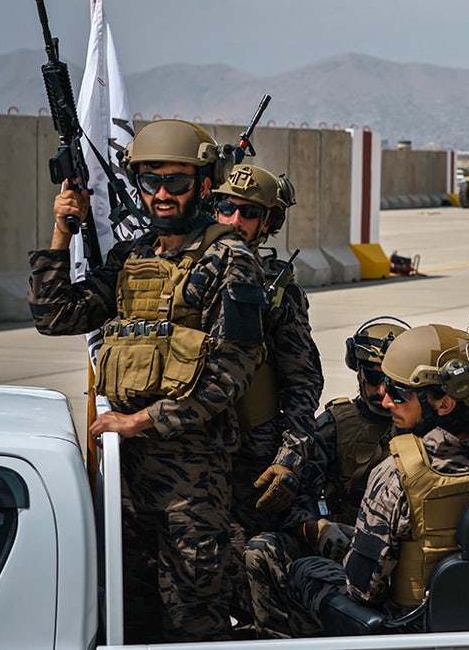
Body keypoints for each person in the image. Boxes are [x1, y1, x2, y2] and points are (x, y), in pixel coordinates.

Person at [28, 119, 265, 642]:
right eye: (150, 181)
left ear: (204, 185)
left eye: (175, 182)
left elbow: (231, 374)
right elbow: (55, 315)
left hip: (191, 481)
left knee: (192, 620)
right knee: (126, 619)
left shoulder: (230, 260)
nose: (161, 194)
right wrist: (62, 231)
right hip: (125, 479)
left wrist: (139, 421)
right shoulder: (130, 257)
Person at [288, 324, 469, 626]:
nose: (386, 401)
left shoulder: (395, 476)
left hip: (417, 627)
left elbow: (363, 589)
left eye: (399, 393)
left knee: (303, 570)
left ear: (444, 403)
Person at [209, 163, 324, 632]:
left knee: (251, 577)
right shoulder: (185, 275)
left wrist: (289, 459)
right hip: (187, 460)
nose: (234, 220)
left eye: (249, 213)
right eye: (225, 207)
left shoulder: (277, 292)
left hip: (249, 466)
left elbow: (303, 383)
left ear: (269, 223)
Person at [244, 316, 409, 639]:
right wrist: (316, 529)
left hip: (399, 550)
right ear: (357, 371)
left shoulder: (423, 421)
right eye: (372, 377)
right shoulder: (334, 426)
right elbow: (292, 503)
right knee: (262, 549)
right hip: (341, 548)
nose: (380, 391)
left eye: (390, 381)